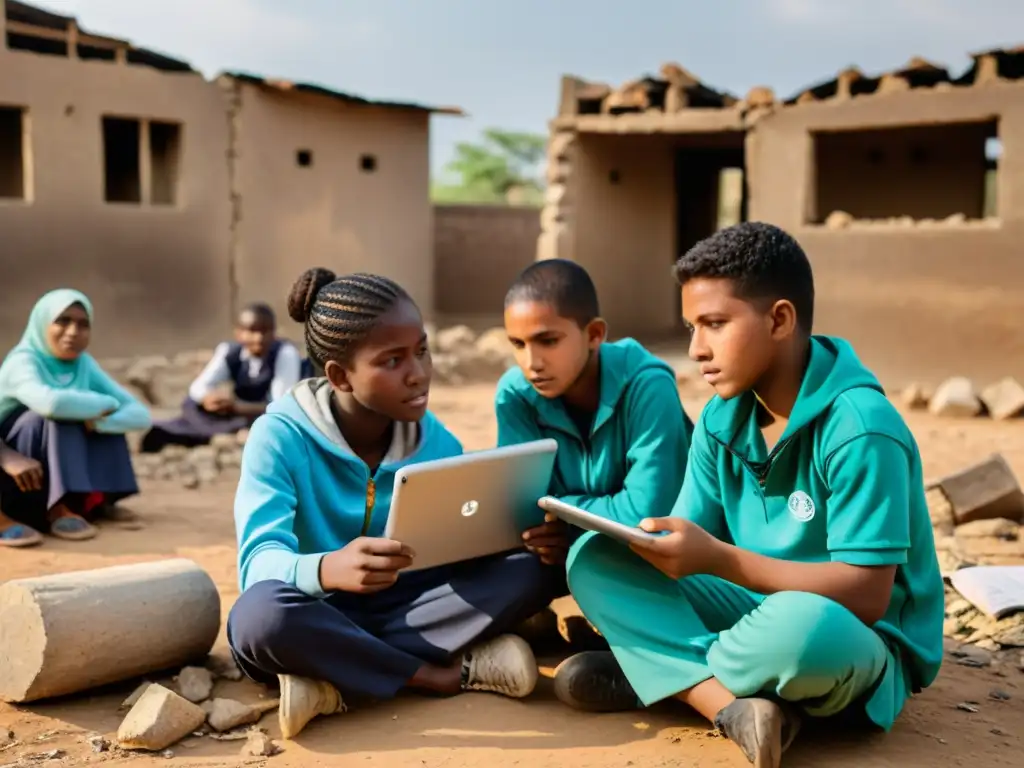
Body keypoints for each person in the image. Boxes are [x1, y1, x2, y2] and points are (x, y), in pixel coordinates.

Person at [556, 223, 945, 768]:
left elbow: (866, 595)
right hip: (750, 613)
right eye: (692, 326)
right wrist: (661, 548)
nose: (696, 349)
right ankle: (728, 703)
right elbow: (689, 549)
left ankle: (654, 671)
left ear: (779, 319)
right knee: (594, 557)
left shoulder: (860, 428)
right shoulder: (722, 419)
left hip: (853, 634)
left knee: (802, 633)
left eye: (715, 324)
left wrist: (718, 558)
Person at [227, 268, 561, 740]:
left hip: (407, 605)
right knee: (260, 617)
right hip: (318, 611)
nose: (419, 373)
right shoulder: (279, 436)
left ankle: (333, 683)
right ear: (340, 376)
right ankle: (438, 675)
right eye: (393, 360)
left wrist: (524, 537)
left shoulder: (436, 441)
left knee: (535, 569)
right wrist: (327, 568)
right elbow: (258, 566)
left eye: (422, 350)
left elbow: (464, 540)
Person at [494, 258, 693, 568]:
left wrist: (559, 514)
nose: (531, 362)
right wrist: (549, 526)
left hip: (660, 560)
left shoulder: (648, 385)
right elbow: (519, 510)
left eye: (548, 341)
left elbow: (647, 517)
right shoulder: (515, 395)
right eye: (518, 344)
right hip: (564, 554)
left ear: (595, 334)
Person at [0, 289, 151, 546]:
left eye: (83, 324)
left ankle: (89, 503)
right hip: (10, 461)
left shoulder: (83, 364)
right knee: (54, 418)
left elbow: (141, 415)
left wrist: (101, 420)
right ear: (41, 323)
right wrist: (7, 456)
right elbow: (51, 403)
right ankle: (24, 512)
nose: (72, 332)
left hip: (38, 465)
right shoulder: (23, 362)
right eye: (62, 321)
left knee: (97, 422)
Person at [140, 303, 304, 453]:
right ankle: (222, 433)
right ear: (239, 333)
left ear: (273, 332)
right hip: (235, 414)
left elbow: (280, 403)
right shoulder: (230, 352)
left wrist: (238, 407)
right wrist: (208, 399)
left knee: (277, 422)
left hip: (261, 412)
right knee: (191, 404)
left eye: (264, 331)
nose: (258, 338)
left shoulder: (285, 354)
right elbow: (199, 387)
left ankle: (217, 434)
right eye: (252, 331)